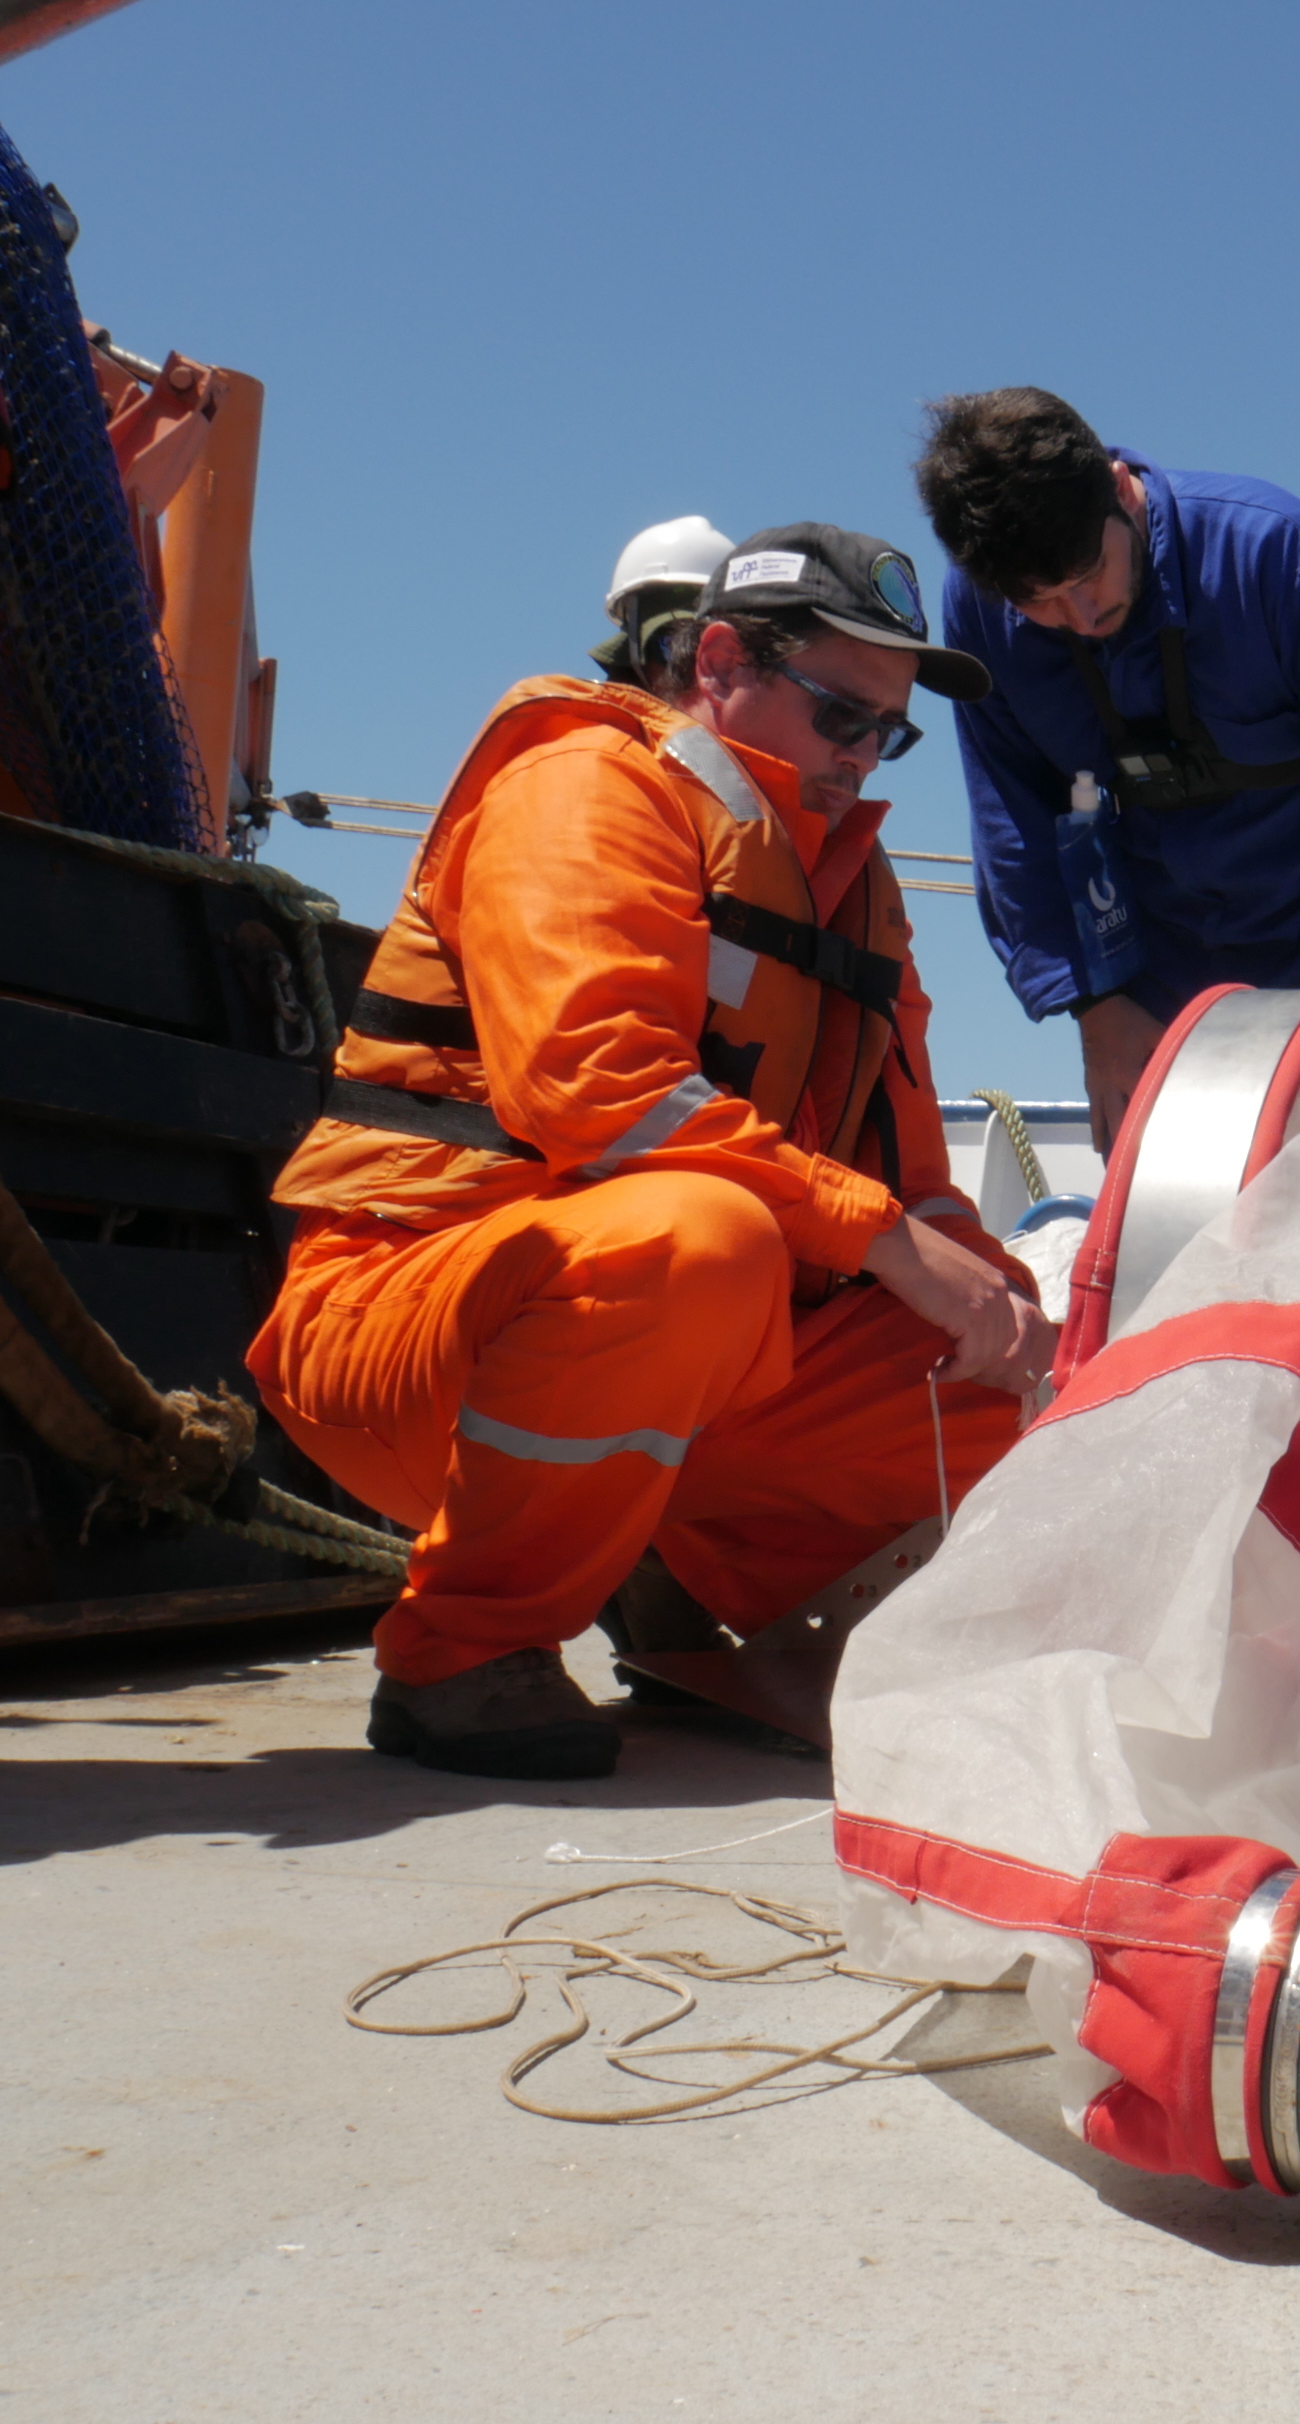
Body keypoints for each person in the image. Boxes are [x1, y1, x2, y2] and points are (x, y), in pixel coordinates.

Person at [248, 526, 1055, 1780]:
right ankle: (461, 1654)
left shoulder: (855, 888)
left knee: (1044, 1392)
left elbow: (910, 1181)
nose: (858, 755)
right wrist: (890, 1241)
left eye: (887, 734)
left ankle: (690, 1586)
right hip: (413, 1329)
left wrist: (1005, 1308)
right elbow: (597, 1090)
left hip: (709, 1356)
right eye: (840, 713)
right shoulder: (580, 785)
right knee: (697, 1243)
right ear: (719, 661)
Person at [913, 387, 1300, 1148]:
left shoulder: (1281, 554)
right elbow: (1009, 818)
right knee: (1174, 1215)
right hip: (1153, 987)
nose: (1079, 617)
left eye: (1090, 573)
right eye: (1041, 605)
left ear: (1120, 489)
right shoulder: (981, 609)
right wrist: (1095, 1006)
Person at [589, 514, 730, 688]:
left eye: (714, 650)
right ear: (634, 653)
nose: (691, 670)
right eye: (672, 646)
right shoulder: (574, 704)